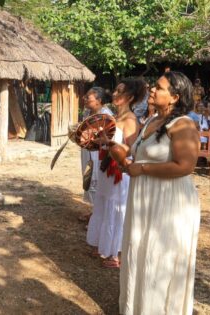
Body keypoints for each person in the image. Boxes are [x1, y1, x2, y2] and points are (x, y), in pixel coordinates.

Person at [119, 71, 201, 314]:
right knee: (142, 251)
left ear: (175, 97)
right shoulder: (152, 120)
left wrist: (142, 168)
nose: (152, 90)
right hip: (145, 198)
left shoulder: (183, 124)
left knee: (159, 256)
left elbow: (185, 166)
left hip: (169, 202)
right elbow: (136, 152)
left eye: (159, 87)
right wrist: (116, 149)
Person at [86, 77, 146, 268]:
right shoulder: (114, 118)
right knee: (103, 205)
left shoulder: (130, 120)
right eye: (116, 90)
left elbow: (131, 150)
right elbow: (107, 143)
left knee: (116, 209)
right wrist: (97, 141)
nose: (114, 94)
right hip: (105, 167)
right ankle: (102, 245)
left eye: (120, 91)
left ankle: (115, 254)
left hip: (118, 171)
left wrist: (110, 143)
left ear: (129, 97)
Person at [80, 88, 113, 205]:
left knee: (97, 178)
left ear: (98, 100)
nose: (85, 98)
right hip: (87, 150)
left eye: (88, 97)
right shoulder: (87, 112)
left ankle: (97, 211)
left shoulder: (106, 116)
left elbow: (109, 137)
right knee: (88, 176)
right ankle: (93, 211)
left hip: (98, 152)